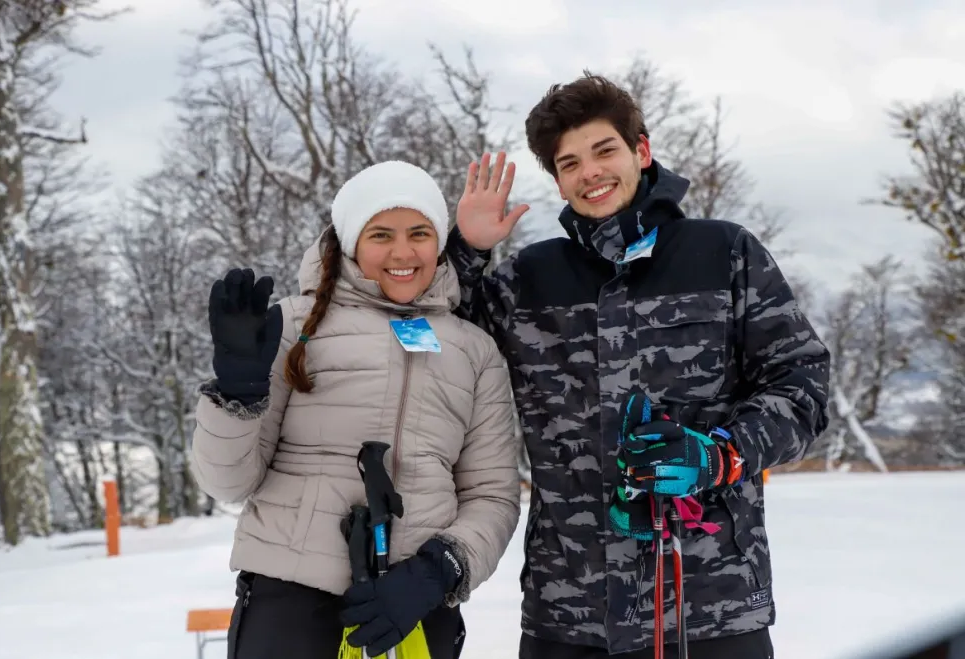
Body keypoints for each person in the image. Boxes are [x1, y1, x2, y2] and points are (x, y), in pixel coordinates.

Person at [445, 73, 831, 659]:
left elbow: (802, 387)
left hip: (712, 607)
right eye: (568, 163)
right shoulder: (527, 279)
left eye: (604, 150)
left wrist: (719, 453)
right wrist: (467, 254)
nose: (590, 172)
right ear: (557, 179)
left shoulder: (725, 253)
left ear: (641, 150)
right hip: (568, 610)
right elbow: (435, 350)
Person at [191, 160, 522, 659]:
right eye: (380, 234)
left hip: (416, 604)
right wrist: (236, 395)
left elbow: (493, 494)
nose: (403, 252)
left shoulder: (474, 351)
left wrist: (441, 569)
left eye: (419, 233)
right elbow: (227, 483)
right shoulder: (293, 325)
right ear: (349, 242)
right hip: (291, 602)